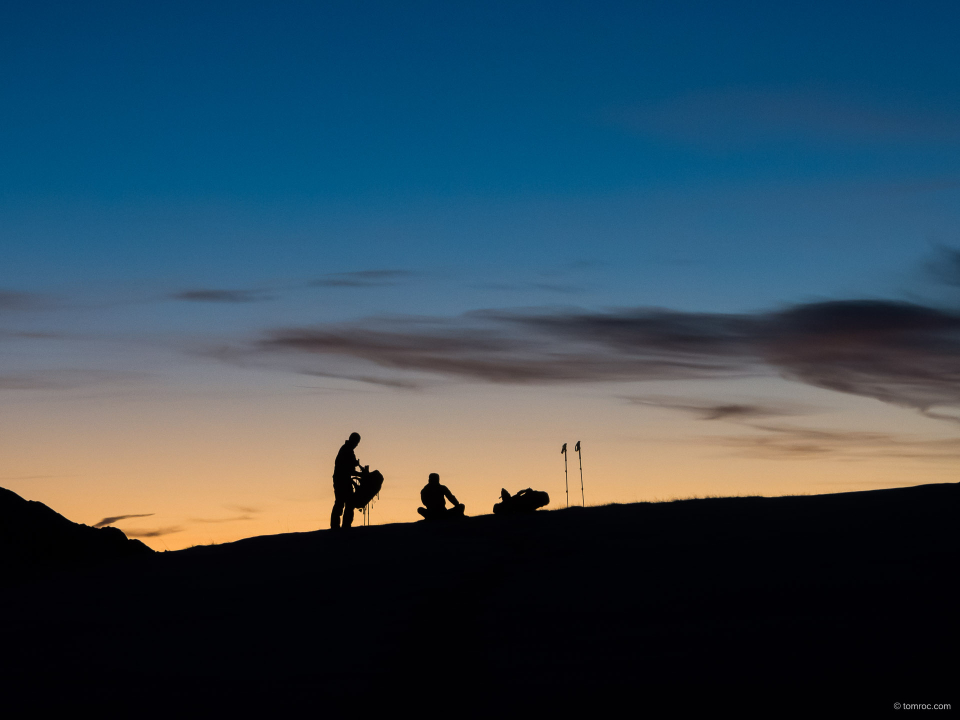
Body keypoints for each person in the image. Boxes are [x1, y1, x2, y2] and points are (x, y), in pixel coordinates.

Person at [331, 432, 362, 530]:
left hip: (342, 480)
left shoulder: (347, 449)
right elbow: (347, 469)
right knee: (343, 502)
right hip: (341, 480)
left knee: (345, 503)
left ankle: (341, 526)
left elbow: (349, 469)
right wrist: (360, 474)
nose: (357, 444)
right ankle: (340, 527)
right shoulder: (347, 450)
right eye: (357, 442)